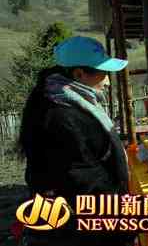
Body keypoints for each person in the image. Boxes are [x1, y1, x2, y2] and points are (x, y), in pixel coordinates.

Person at [18, 36, 134, 246]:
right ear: (79, 74)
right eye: (103, 73)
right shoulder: (60, 116)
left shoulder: (64, 102)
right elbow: (82, 177)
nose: (108, 81)